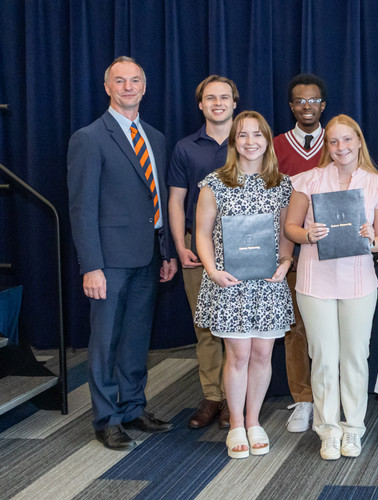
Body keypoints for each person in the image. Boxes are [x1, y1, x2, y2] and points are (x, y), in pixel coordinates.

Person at [67, 56, 178, 450]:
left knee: (135, 339)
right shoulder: (89, 137)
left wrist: (165, 251)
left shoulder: (156, 137)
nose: (128, 87)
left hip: (149, 257)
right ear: (107, 87)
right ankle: (106, 418)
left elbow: (158, 200)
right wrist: (91, 265)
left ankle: (133, 407)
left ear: (144, 88)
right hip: (109, 261)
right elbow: (82, 208)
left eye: (135, 80)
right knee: (105, 341)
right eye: (120, 81)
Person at [284, 115, 378, 460]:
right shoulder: (308, 180)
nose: (341, 148)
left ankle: (353, 429)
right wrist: (307, 235)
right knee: (323, 358)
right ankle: (328, 429)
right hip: (315, 281)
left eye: (347, 140)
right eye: (333, 142)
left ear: (359, 141)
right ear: (326, 146)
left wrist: (371, 240)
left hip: (359, 282)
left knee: (354, 359)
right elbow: (290, 227)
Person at [194, 110, 295, 459]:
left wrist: (286, 262)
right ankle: (235, 422)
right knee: (238, 354)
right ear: (233, 141)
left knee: (263, 353)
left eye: (257, 135)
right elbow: (203, 235)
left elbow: (286, 234)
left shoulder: (282, 185)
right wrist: (212, 269)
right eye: (242, 135)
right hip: (229, 282)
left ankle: (254, 420)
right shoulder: (215, 183)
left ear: (267, 140)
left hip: (268, 283)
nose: (250, 142)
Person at [167, 75, 239, 430]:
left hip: (242, 247)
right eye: (210, 98)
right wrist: (180, 245)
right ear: (201, 104)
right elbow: (176, 201)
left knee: (238, 327)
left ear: (234, 103)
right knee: (205, 325)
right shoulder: (185, 148)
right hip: (199, 246)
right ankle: (213, 396)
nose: (218, 103)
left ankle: (235, 400)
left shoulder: (251, 142)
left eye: (224, 97)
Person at [274, 73, 328, 433]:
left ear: (323, 105)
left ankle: (331, 398)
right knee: (296, 329)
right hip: (292, 248)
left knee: (332, 331)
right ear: (291, 106)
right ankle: (304, 398)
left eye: (313, 101)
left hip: (336, 252)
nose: (307, 106)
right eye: (300, 101)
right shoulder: (276, 145)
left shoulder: (342, 139)